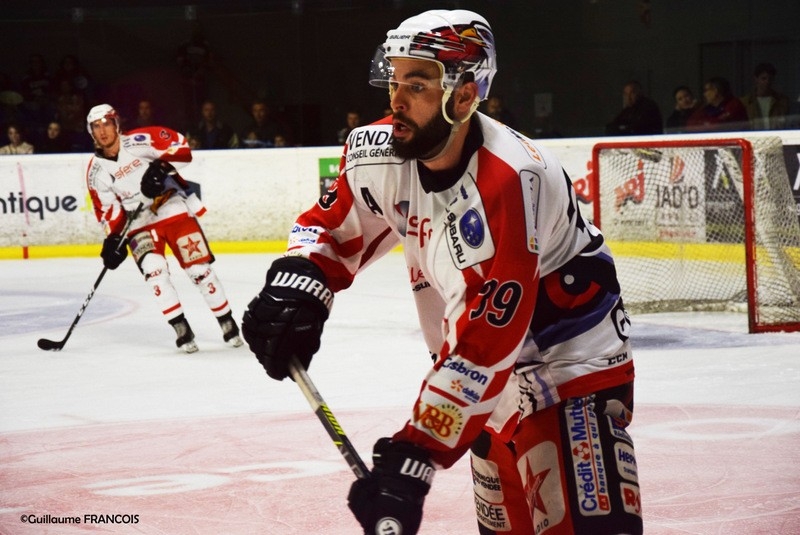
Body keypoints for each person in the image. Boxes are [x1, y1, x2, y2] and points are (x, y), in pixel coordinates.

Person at [241, 9, 642, 535]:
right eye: (395, 78)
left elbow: (489, 338)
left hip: (567, 372)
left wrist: (414, 457)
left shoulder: (511, 180)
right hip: (474, 382)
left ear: (465, 95)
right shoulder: (377, 152)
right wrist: (296, 288)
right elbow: (332, 230)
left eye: (418, 83)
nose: (396, 98)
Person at [85, 103, 243, 353]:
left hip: (170, 207)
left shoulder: (139, 141)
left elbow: (181, 147)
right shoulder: (95, 172)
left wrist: (160, 168)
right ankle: (181, 327)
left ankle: (227, 321)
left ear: (116, 124)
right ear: (91, 132)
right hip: (137, 223)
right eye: (96, 126)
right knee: (154, 271)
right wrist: (113, 239)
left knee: (198, 268)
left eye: (106, 124)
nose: (102, 131)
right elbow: (108, 210)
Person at [739, 62, 791, 130]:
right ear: (756, 79)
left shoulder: (782, 101)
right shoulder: (745, 102)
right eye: (763, 78)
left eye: (770, 79)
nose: (767, 82)